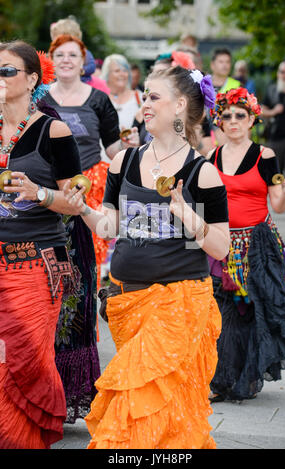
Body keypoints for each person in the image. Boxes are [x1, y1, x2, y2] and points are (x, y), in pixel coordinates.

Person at [63, 65, 230, 449]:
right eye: (145, 96)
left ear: (181, 106)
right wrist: (83, 211)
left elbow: (220, 248)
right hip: (127, 300)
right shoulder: (126, 161)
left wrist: (189, 217)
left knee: (130, 408)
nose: (145, 104)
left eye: (154, 96)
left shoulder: (202, 173)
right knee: (160, 414)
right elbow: (110, 228)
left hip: (178, 303)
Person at [41, 33, 139, 423]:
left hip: (81, 204)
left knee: (74, 295)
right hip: (40, 206)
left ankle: (69, 387)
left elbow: (114, 151)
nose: (66, 61)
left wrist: (141, 158)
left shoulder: (98, 100)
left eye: (72, 55)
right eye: (59, 55)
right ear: (50, 61)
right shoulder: (38, 99)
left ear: (84, 62)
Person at [0, 40, 83, 448]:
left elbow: (77, 201)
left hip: (35, 264)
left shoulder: (55, 130)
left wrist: (40, 193)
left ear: (32, 78)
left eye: (7, 71)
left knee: (24, 362)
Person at [207, 87, 285, 402]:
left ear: (251, 120)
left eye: (240, 116)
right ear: (219, 121)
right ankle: (223, 378)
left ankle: (242, 375)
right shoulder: (212, 157)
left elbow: (279, 204)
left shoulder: (265, 155)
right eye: (227, 116)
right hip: (222, 243)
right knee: (223, 310)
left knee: (252, 310)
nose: (233, 121)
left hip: (257, 244)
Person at [262, 61, 285, 213]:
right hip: (274, 137)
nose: (284, 75)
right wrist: (273, 112)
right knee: (276, 171)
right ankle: (276, 198)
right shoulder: (272, 90)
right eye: (282, 72)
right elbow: (262, 109)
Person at [50, 18, 110, 94]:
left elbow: (92, 66)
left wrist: (81, 71)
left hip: (83, 82)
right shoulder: (53, 53)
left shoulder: (84, 52)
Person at [101, 54, 143, 131]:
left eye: (125, 70)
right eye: (117, 71)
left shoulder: (139, 97)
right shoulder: (100, 99)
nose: (122, 74)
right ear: (107, 74)